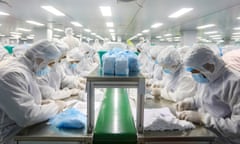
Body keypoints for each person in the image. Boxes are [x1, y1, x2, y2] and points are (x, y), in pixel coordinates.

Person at [0, 40, 66, 144]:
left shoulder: (28, 70)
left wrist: (40, 104)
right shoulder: (12, 74)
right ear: (39, 58)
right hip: (13, 136)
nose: (50, 67)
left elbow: (23, 101)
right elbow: (27, 116)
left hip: (23, 132)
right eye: (49, 63)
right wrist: (56, 107)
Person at [176, 45, 240, 144]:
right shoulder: (207, 78)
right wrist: (190, 102)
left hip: (225, 139)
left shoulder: (234, 83)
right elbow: (203, 99)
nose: (193, 75)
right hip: (206, 133)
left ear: (208, 66)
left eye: (194, 71)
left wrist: (203, 118)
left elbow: (237, 127)